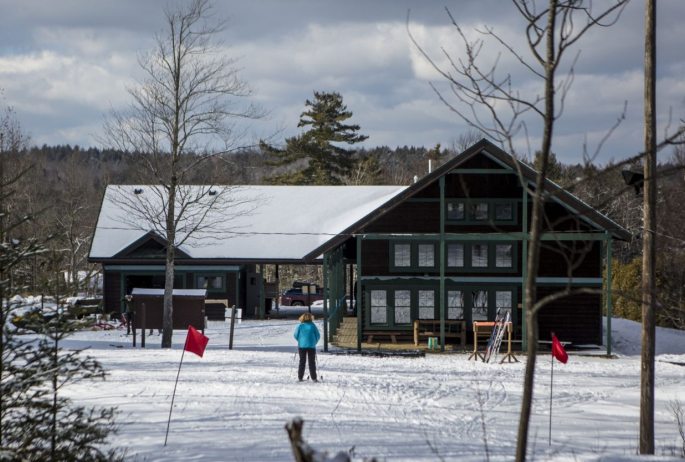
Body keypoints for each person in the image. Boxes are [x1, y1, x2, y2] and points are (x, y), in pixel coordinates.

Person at [293, 313, 320, 382]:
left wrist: (300, 340)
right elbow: (318, 335)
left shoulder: (300, 326)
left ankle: (300, 377)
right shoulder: (313, 325)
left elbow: (295, 335)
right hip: (311, 346)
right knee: (312, 362)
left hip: (302, 345)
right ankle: (314, 377)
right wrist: (314, 342)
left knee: (302, 361)